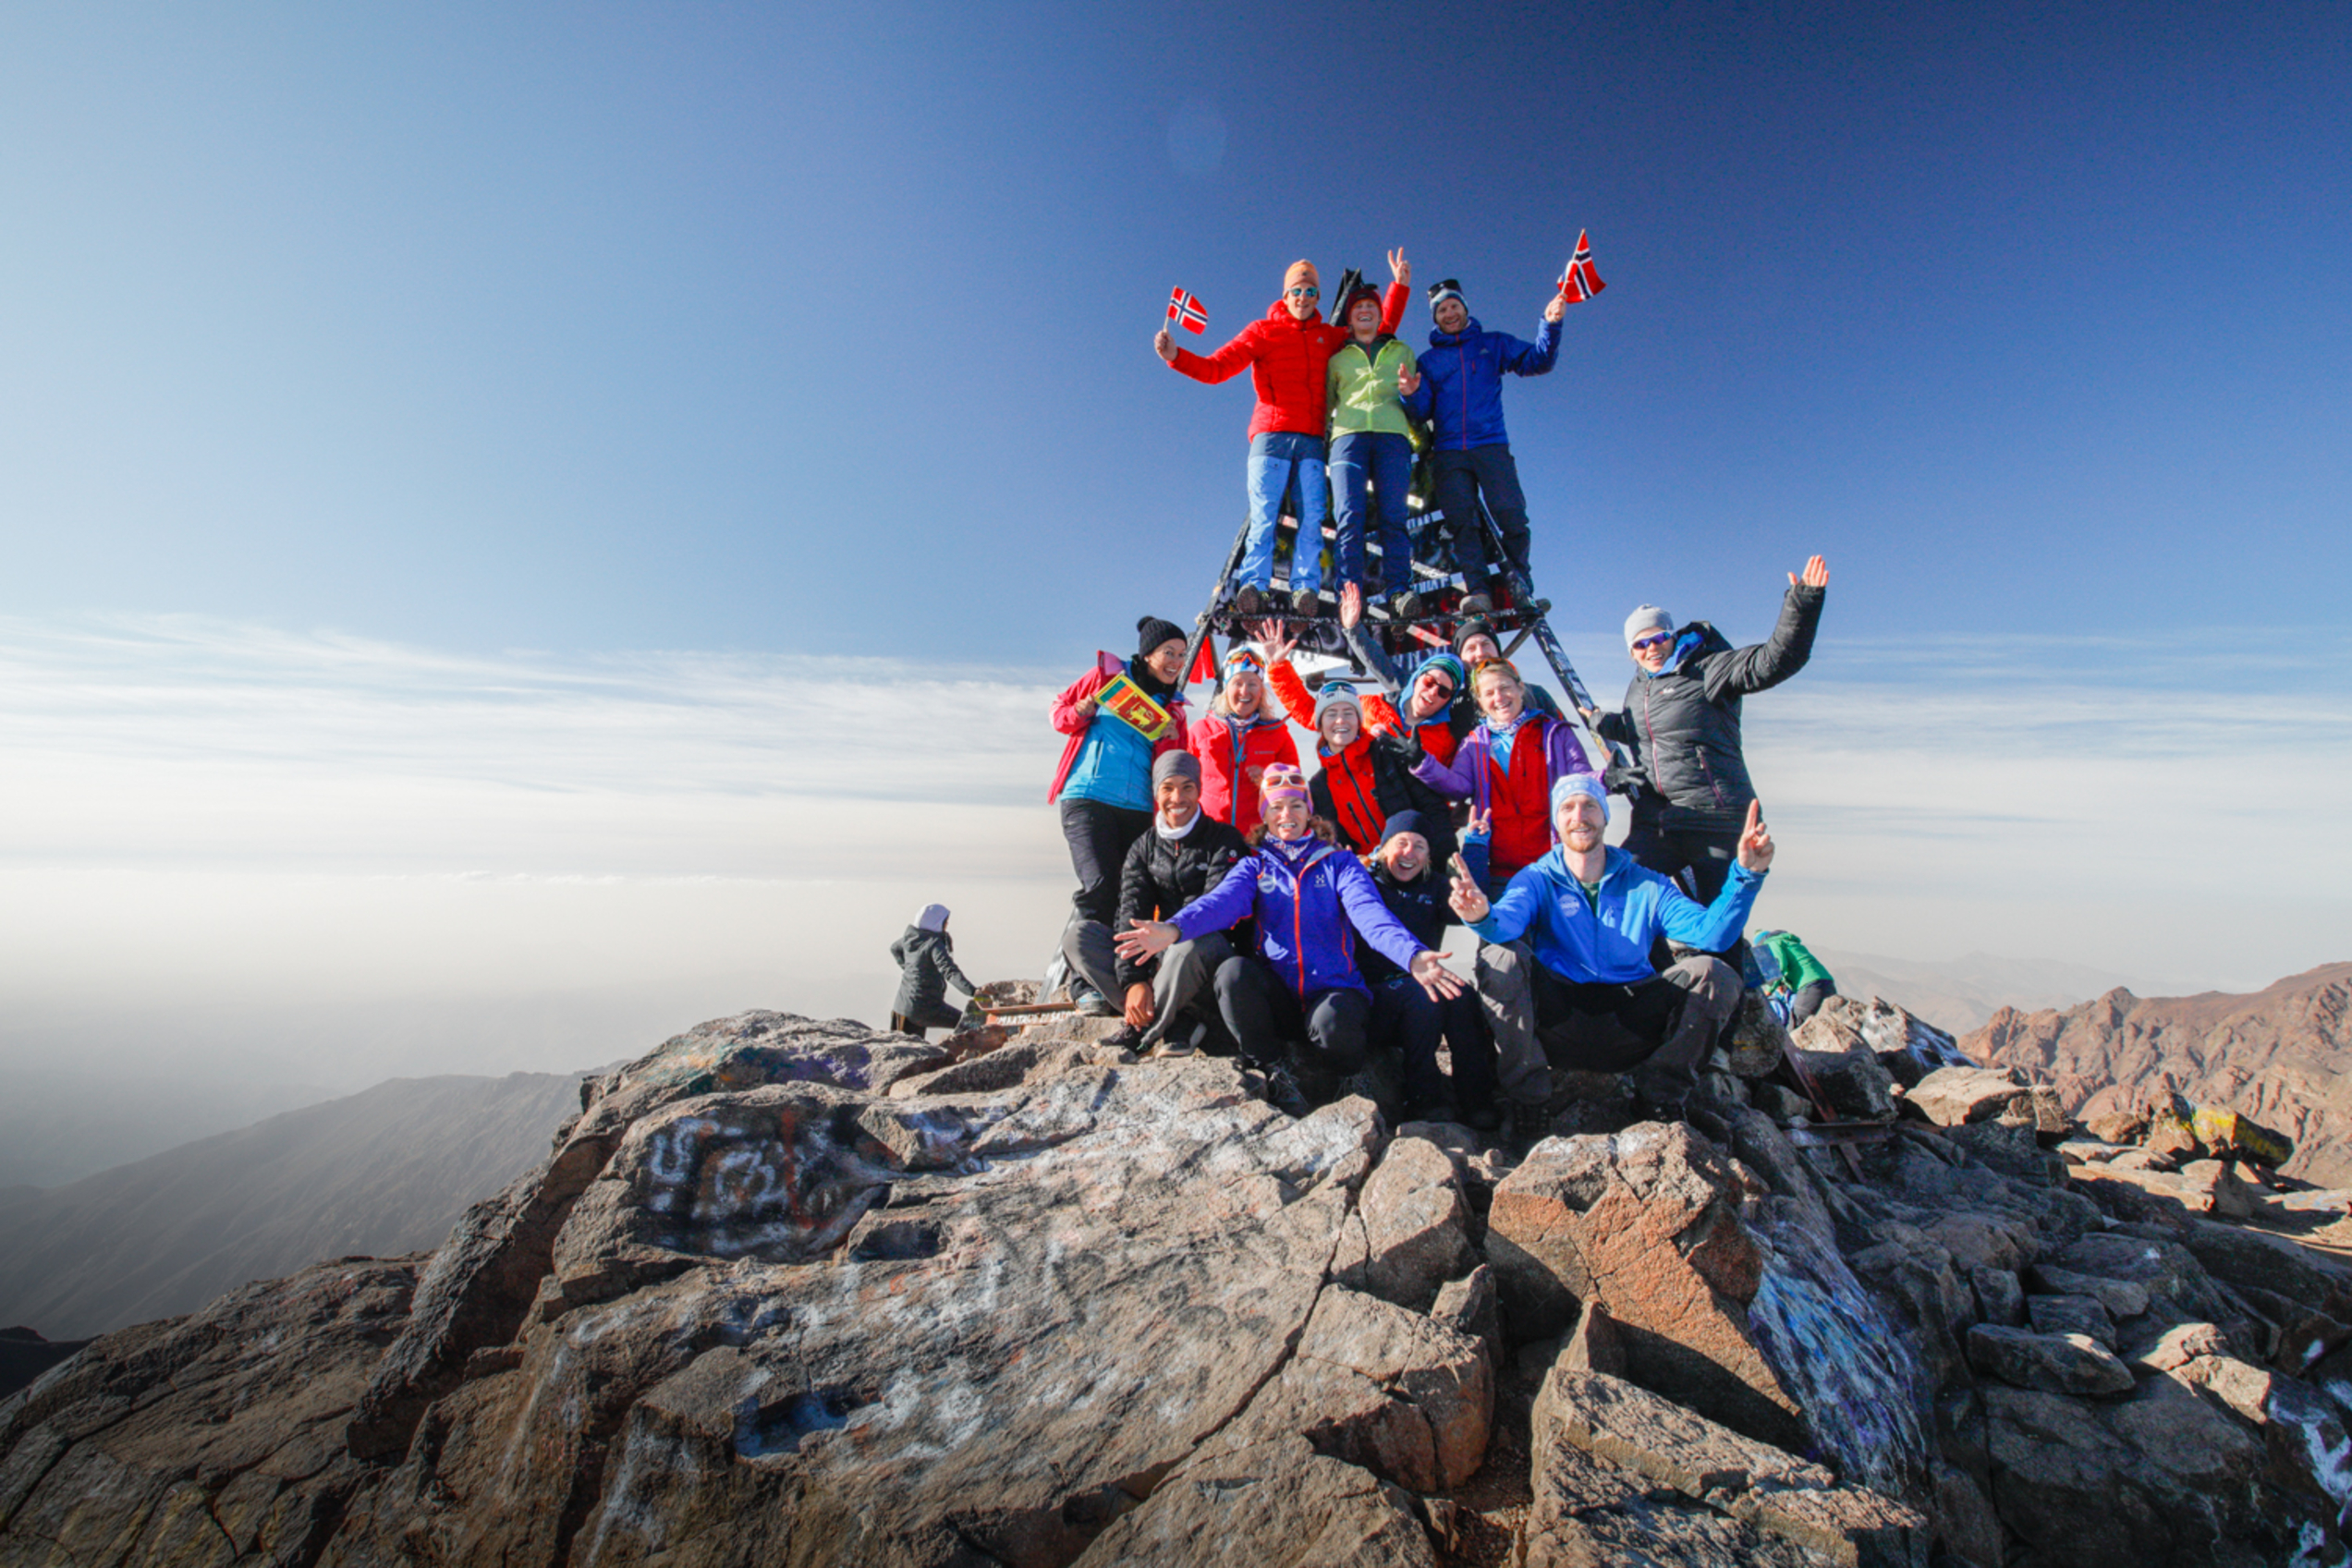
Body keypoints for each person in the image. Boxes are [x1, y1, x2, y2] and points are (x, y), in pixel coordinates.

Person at [1115, 765, 1462, 1114]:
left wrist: (1412, 956)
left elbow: (1370, 915)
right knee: (1233, 973)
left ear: (1309, 811)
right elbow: (1222, 902)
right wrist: (1173, 928)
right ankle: (1271, 1070)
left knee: (1334, 1025)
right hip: (1279, 997)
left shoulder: (1339, 863)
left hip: (1331, 990)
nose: (1287, 814)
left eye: (1296, 805)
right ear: (1264, 814)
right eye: (1277, 807)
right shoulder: (1255, 865)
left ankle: (1350, 1077)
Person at [1446, 777, 1773, 1142]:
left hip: (1630, 1020)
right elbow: (1503, 924)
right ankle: (1528, 1098)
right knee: (1500, 955)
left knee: (1715, 974)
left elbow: (1712, 935)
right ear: (1557, 822)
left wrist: (1747, 876)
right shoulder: (1536, 879)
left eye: (1589, 806)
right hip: (1559, 1018)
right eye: (1567, 808)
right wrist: (1479, 916)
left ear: (1604, 817)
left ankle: (1659, 1097)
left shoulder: (1647, 883)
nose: (1579, 816)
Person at [1158, 253, 1410, 617]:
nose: (1304, 297)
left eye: (1311, 291)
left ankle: (1304, 589)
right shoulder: (1262, 331)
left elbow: (1375, 327)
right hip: (1271, 438)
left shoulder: (1331, 337)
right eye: (1297, 290)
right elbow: (1217, 369)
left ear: (1318, 297)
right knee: (1265, 516)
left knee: (1312, 517)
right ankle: (1253, 586)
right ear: (1285, 293)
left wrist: (1398, 287)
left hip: (1310, 442)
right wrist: (1176, 355)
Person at [1586, 556, 1828, 906]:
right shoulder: (1640, 687)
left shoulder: (1710, 668)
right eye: (1641, 644)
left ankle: (1724, 961)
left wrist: (1803, 602)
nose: (1652, 648)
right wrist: (1598, 721)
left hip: (1717, 821)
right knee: (1615, 892)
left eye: (1659, 638)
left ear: (1673, 636)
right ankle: (1652, 962)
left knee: (1721, 923)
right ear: (1631, 652)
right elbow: (1640, 729)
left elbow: (1776, 660)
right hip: (1660, 823)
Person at [1048, 616, 1194, 1010]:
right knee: (1098, 886)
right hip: (1088, 796)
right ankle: (1085, 985)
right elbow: (1058, 716)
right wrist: (1083, 708)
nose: (1177, 661)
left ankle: (1125, 978)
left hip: (1139, 809)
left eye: (1182, 655)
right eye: (1169, 653)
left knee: (1132, 894)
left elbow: (1173, 768)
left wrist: (1170, 738)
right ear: (1148, 654)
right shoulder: (1105, 678)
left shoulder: (1174, 707)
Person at [1401, 277, 1564, 599]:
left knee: (1511, 515)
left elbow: (1538, 362)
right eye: (1442, 310)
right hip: (1449, 452)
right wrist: (1410, 393)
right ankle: (1478, 590)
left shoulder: (1493, 344)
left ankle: (1519, 582)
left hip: (1490, 444)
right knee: (1463, 522)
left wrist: (1551, 325)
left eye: (1454, 306)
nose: (1449, 313)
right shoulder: (1429, 361)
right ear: (1435, 318)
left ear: (1464, 309)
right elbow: (1421, 413)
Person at [1080, 750, 1252, 1055]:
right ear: (1156, 792)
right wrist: (1135, 980)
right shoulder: (1144, 846)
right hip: (1159, 953)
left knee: (1190, 947)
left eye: (1188, 787)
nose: (1178, 797)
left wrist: (1168, 940)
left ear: (1199, 790)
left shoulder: (1224, 839)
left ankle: (1142, 1029)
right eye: (1168, 787)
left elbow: (1217, 911)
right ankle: (1172, 1016)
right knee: (1080, 937)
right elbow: (1131, 912)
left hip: (1207, 951)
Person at [1260, 630, 1453, 862]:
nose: (1340, 721)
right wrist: (1279, 666)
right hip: (1365, 872)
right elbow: (1329, 841)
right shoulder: (1320, 786)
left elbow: (1433, 808)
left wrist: (1446, 861)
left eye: (1348, 713)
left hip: (1412, 864)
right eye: (1331, 714)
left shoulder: (1386, 754)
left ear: (1359, 721)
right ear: (1319, 723)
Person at [1408, 658, 1597, 893]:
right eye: (1489, 693)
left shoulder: (1554, 734)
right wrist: (1421, 762)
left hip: (1555, 868)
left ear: (1520, 688)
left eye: (1505, 688)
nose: (1499, 698)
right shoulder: (1474, 743)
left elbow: (1583, 780)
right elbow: (1458, 787)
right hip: (1498, 872)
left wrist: (1608, 779)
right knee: (1499, 928)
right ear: (1480, 702)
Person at [1362, 811, 1499, 1128]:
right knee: (1423, 998)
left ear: (1428, 856)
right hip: (1374, 992)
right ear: (1383, 848)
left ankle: (1476, 1097)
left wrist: (1476, 847)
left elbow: (1466, 905)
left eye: (1420, 846)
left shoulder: (1433, 886)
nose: (1410, 853)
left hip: (1421, 981)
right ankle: (1424, 1098)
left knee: (1461, 995)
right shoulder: (1364, 882)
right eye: (1402, 843)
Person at [1325, 279, 1424, 618]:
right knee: (1349, 516)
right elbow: (1324, 405)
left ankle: (1399, 590)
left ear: (1380, 314)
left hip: (1392, 436)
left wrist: (1412, 392)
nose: (1365, 310)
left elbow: (1419, 403)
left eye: (1371, 306)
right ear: (1349, 319)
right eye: (1358, 308)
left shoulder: (1401, 351)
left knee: (1393, 517)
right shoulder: (1337, 360)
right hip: (1348, 439)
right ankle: (1349, 594)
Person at [1186, 645, 1299, 837]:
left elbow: (1295, 791)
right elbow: (1181, 781)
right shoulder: (1201, 731)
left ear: (1262, 690)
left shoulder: (1277, 734)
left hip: (1257, 839)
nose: (1245, 691)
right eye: (1237, 683)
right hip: (1208, 836)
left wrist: (1270, 782)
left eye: (1253, 684)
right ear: (1226, 688)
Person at [890, 904, 979, 1039]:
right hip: (926, 1008)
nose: (947, 925)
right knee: (969, 1024)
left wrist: (910, 970)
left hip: (901, 1008)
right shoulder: (934, 944)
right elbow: (950, 971)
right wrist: (974, 992)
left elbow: (894, 948)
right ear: (938, 923)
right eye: (945, 922)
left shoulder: (912, 937)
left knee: (911, 1052)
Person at [1754, 930, 1838, 1025]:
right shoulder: (1788, 943)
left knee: (1796, 1025)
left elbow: (1778, 967)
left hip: (1810, 985)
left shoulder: (1772, 943)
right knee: (1822, 1024)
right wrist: (1783, 984)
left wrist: (1768, 991)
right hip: (1827, 984)